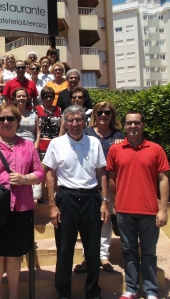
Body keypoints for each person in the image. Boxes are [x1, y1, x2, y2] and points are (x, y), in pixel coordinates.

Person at [0, 103, 45, 299]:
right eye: (2, 119)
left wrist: (25, 179)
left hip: (21, 207)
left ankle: (13, 295)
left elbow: (39, 173)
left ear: (17, 121)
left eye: (10, 118)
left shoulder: (27, 145)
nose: (6, 122)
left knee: (14, 255)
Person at [43, 105, 109, 299]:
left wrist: (104, 202)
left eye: (79, 119)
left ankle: (92, 292)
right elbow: (50, 174)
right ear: (65, 122)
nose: (75, 124)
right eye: (70, 120)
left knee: (92, 249)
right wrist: (52, 205)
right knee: (64, 250)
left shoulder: (94, 143)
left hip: (91, 199)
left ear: (85, 121)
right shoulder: (56, 143)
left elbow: (101, 173)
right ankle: (64, 294)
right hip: (66, 199)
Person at [106, 110, 170, 299]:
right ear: (124, 126)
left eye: (136, 123)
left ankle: (151, 291)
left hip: (149, 210)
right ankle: (132, 289)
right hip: (125, 210)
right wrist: (119, 200)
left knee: (149, 252)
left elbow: (163, 179)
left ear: (143, 125)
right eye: (129, 123)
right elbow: (111, 178)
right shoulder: (115, 150)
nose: (133, 126)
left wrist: (163, 210)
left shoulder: (156, 149)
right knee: (129, 251)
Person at [74, 102, 125, 274]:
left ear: (112, 115)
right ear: (95, 114)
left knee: (106, 220)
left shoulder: (119, 135)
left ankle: (103, 255)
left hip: (109, 183)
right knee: (87, 223)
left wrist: (121, 145)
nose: (104, 115)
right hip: (88, 182)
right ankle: (87, 257)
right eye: (100, 112)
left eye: (107, 112)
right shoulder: (86, 132)